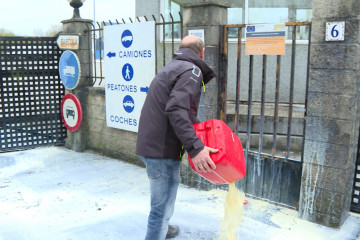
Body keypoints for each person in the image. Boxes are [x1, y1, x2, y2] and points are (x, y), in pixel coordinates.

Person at [136, 35, 218, 240]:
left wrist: (200, 132)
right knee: (160, 209)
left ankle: (164, 227)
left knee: (162, 200)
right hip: (161, 151)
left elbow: (181, 111)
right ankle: (159, 229)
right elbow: (176, 109)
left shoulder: (172, 67)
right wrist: (196, 148)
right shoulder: (192, 70)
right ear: (202, 52)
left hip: (152, 145)